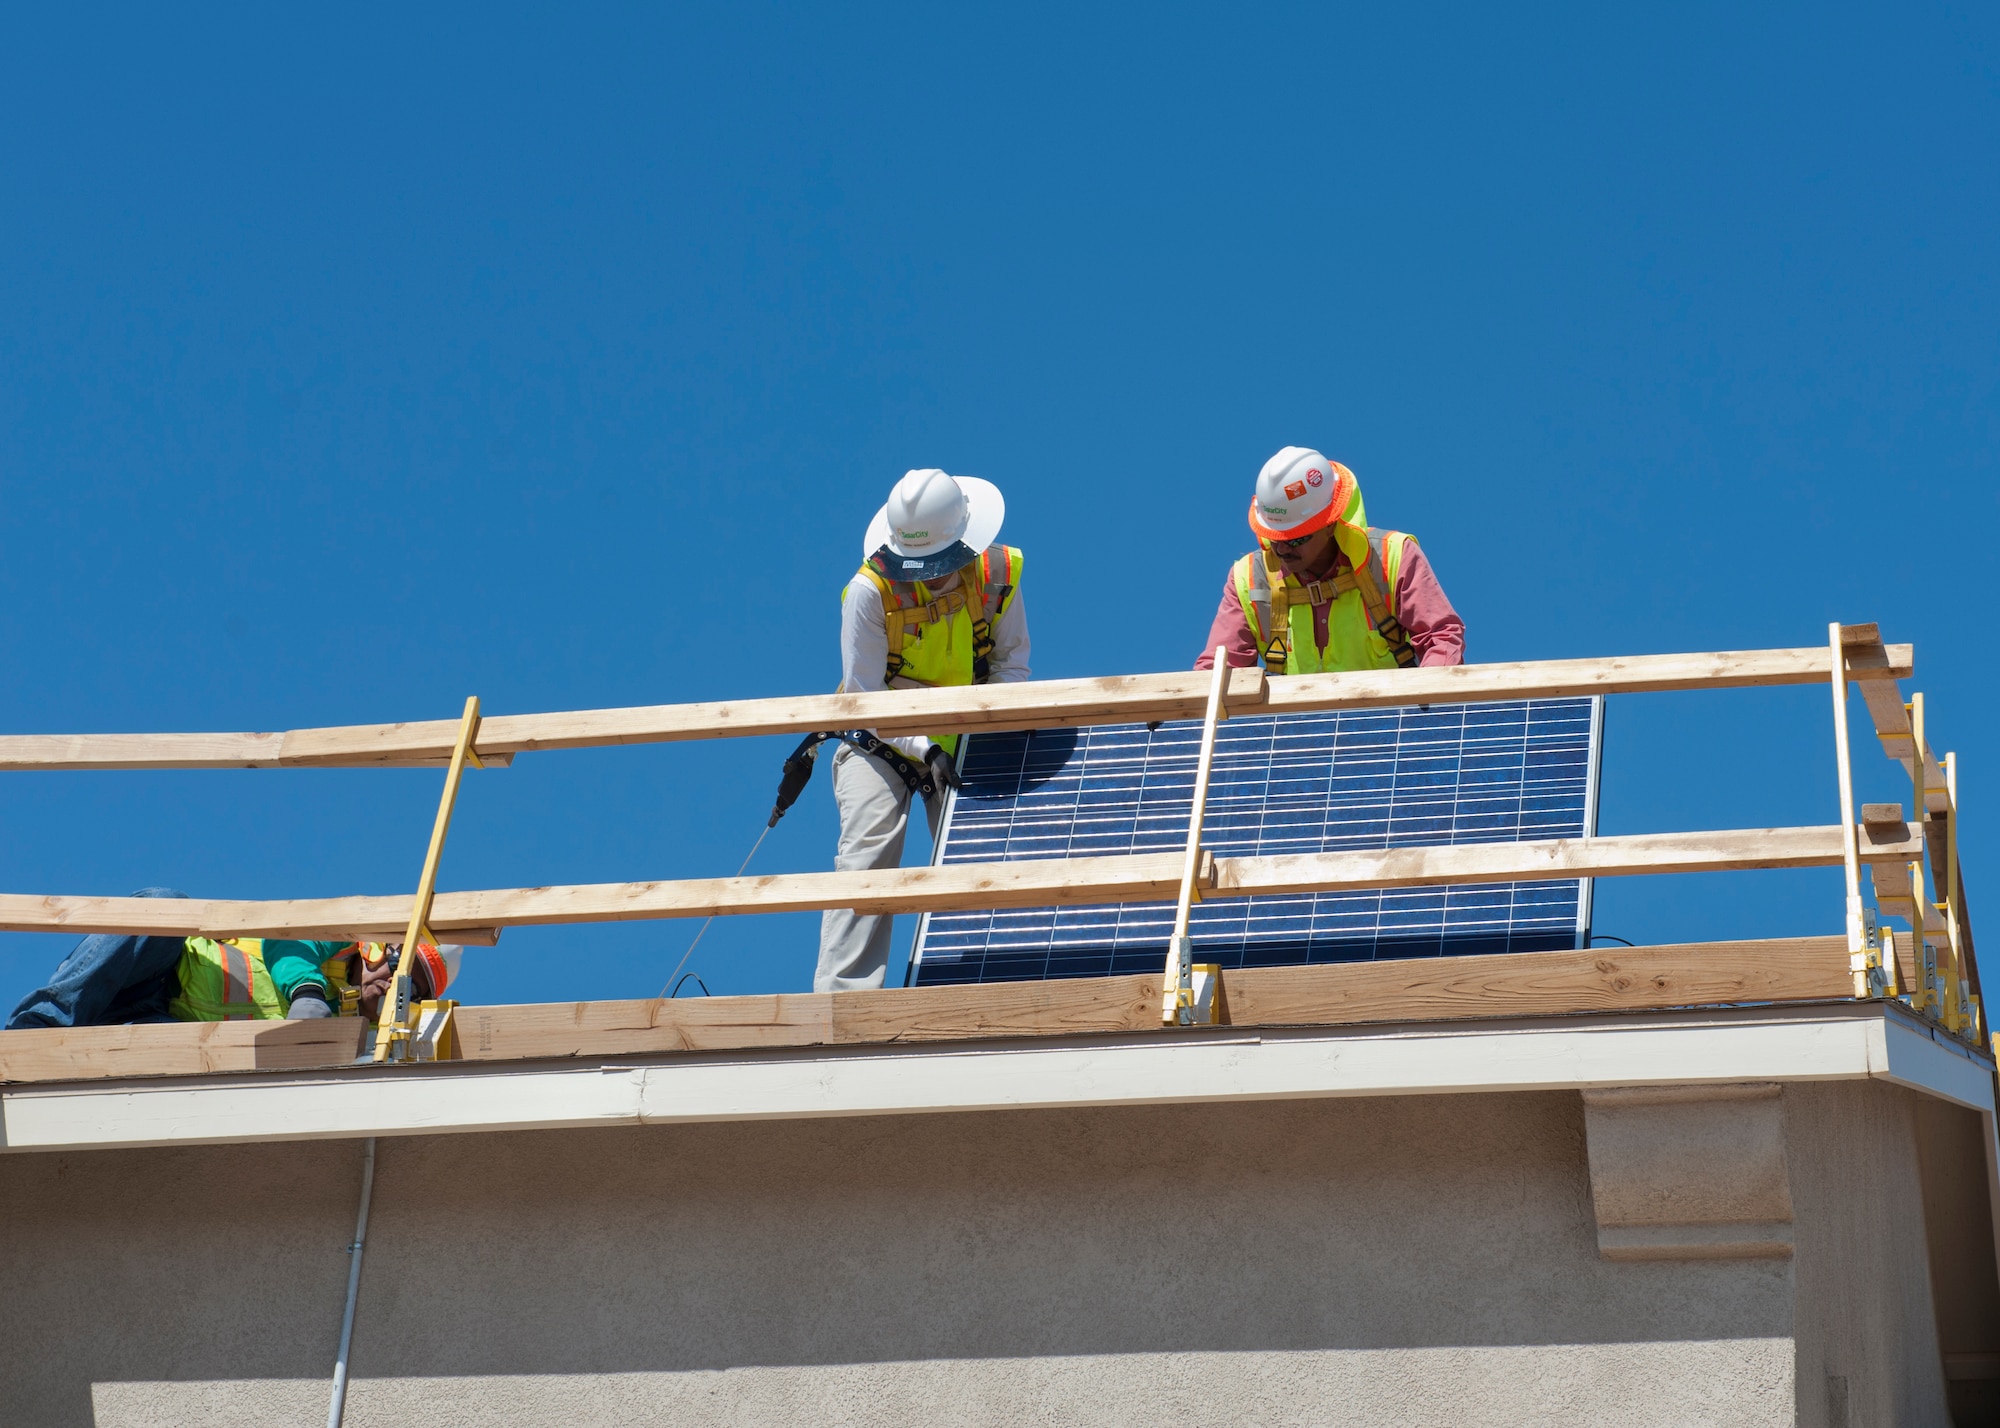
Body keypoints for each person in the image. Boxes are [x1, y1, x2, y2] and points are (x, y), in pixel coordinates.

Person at [817, 469, 1028, 991]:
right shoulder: (868, 592)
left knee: (974, 857)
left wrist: (986, 740)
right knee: (868, 854)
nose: (929, 577)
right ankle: (843, 1001)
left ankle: (978, 986)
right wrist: (923, 745)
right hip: (878, 735)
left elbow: (1011, 667)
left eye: (939, 566)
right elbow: (864, 697)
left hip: (964, 733)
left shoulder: (997, 573)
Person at [5, 886, 459, 1029]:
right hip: (162, 966)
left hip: (170, 1023)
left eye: (412, 989)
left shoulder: (356, 1035)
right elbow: (288, 944)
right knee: (165, 904)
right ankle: (40, 1027)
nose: (395, 985)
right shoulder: (334, 941)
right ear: (378, 948)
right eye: (400, 968)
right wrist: (307, 992)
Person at [1196, 446, 1464, 673]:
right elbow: (1219, 671)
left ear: (1329, 523)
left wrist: (1424, 712)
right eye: (1274, 538)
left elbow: (1441, 638)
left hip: (1389, 725)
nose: (1282, 550)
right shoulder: (1250, 579)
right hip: (1296, 731)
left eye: (1296, 539)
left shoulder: (1391, 557)